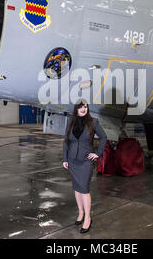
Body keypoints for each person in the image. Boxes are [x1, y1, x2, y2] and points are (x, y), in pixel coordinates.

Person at [62, 99, 107, 234]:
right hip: (72, 161)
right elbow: (66, 141)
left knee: (84, 189)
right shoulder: (71, 121)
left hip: (86, 161)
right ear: (76, 109)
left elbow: (104, 138)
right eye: (81, 107)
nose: (83, 109)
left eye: (85, 107)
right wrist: (65, 158)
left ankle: (88, 217)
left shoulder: (93, 122)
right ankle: (80, 213)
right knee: (77, 188)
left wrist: (97, 153)